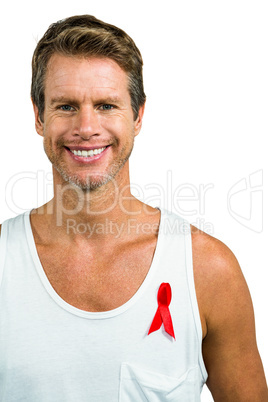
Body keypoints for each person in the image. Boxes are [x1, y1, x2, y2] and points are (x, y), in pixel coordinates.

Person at [0, 14, 267, 401]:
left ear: (138, 116)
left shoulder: (207, 270)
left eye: (107, 105)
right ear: (39, 116)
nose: (87, 127)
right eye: (66, 106)